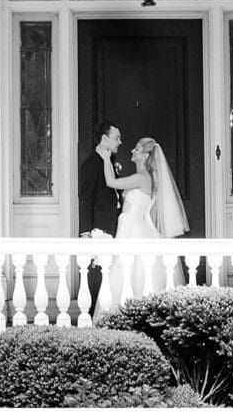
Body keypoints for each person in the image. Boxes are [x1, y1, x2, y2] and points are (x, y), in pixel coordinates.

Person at [89, 129, 187, 321]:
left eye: (136, 148)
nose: (132, 150)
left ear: (144, 156)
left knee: (128, 273)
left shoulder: (141, 178)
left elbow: (111, 182)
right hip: (132, 226)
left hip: (133, 229)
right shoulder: (144, 177)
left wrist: (105, 158)